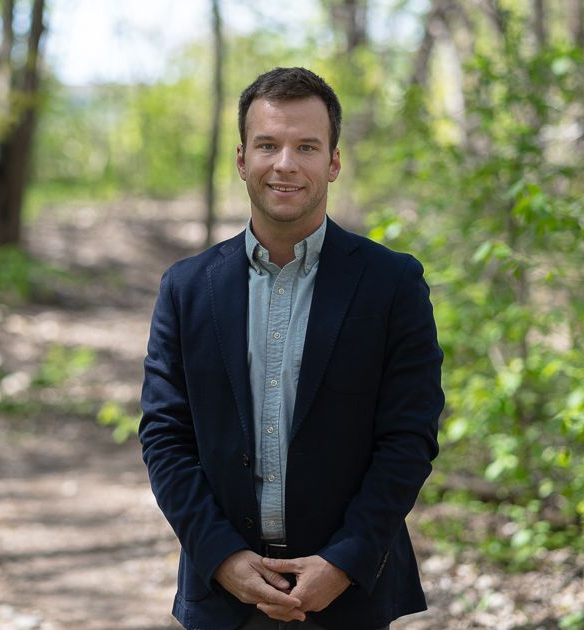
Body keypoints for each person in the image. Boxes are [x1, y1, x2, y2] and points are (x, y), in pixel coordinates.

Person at [139, 66, 444, 630]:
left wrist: (345, 560)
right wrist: (222, 556)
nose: (285, 164)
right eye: (267, 145)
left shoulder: (392, 283)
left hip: (348, 593)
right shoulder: (187, 288)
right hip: (222, 594)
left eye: (306, 146)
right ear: (241, 160)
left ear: (333, 162)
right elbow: (164, 435)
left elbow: (409, 437)